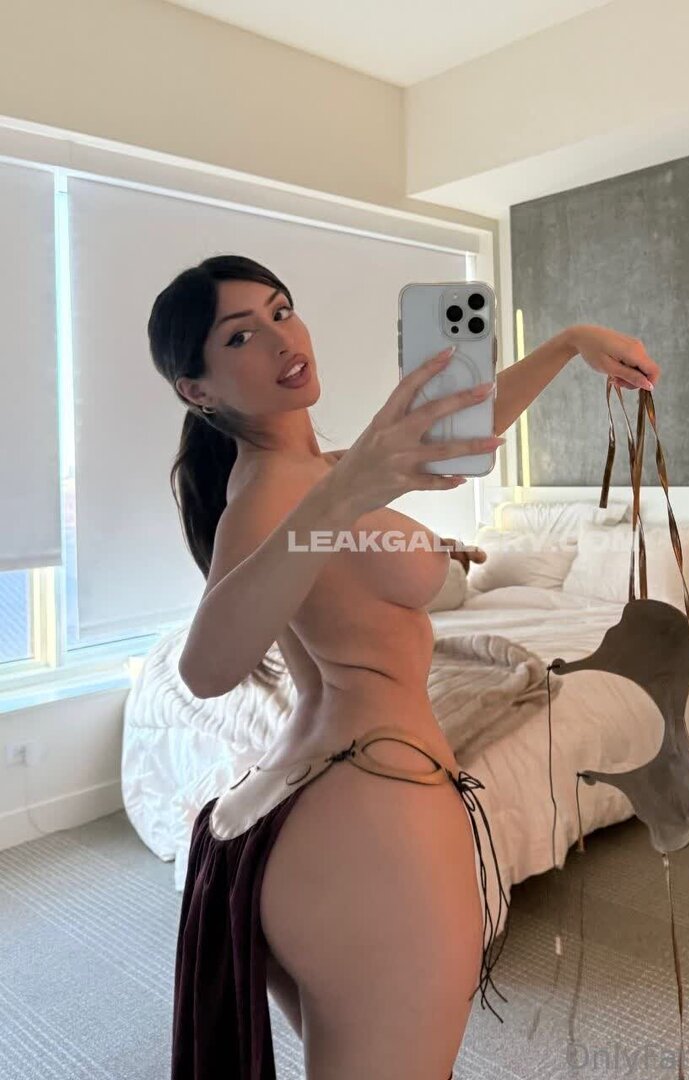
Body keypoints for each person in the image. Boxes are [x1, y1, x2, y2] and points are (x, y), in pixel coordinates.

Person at [148, 253, 659, 1079]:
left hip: (304, 801)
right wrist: (340, 497)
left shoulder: (314, 473)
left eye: (281, 310)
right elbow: (207, 669)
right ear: (197, 390)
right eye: (240, 335)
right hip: (366, 815)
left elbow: (455, 435)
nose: (280, 338)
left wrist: (568, 345)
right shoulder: (275, 491)